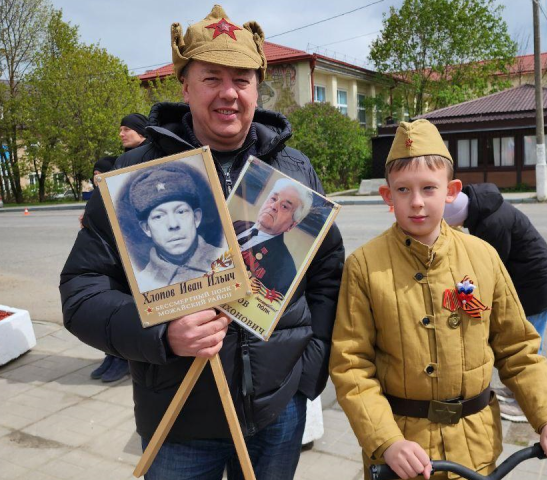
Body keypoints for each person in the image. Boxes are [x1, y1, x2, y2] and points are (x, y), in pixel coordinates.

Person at [60, 5, 344, 480]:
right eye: (211, 78)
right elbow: (82, 291)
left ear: (257, 87)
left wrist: (307, 373)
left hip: (277, 414)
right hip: (178, 419)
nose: (228, 94)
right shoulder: (132, 178)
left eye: (242, 79)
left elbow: (328, 274)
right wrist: (162, 334)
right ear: (184, 86)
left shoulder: (293, 170)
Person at [330, 120, 547, 480]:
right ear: (388, 197)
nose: (416, 202)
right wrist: (386, 441)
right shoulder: (364, 266)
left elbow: (519, 350)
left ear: (451, 191)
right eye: (403, 190)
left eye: (428, 188)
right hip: (403, 456)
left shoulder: (483, 256)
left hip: (474, 453)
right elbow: (351, 367)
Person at [443, 183, 547, 422]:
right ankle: (514, 390)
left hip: (536, 285)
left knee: (527, 342)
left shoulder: (491, 224)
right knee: (525, 338)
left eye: (452, 223)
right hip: (531, 280)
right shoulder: (483, 210)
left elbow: (489, 269)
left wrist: (466, 294)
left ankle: (526, 402)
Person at [129, 165, 227, 292]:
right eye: (159, 216)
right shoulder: (141, 284)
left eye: (181, 212)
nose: (173, 224)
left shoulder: (228, 260)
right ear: (146, 228)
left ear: (196, 218)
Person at [87, 155, 131, 383]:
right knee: (109, 303)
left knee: (125, 306)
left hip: (126, 260)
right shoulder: (98, 197)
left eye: (127, 129)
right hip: (107, 259)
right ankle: (112, 356)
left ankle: (123, 359)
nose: (96, 178)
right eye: (94, 175)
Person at [234, 178, 313, 295]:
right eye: (273, 198)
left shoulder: (285, 269)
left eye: (285, 206)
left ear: (291, 225)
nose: (274, 206)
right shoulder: (238, 224)